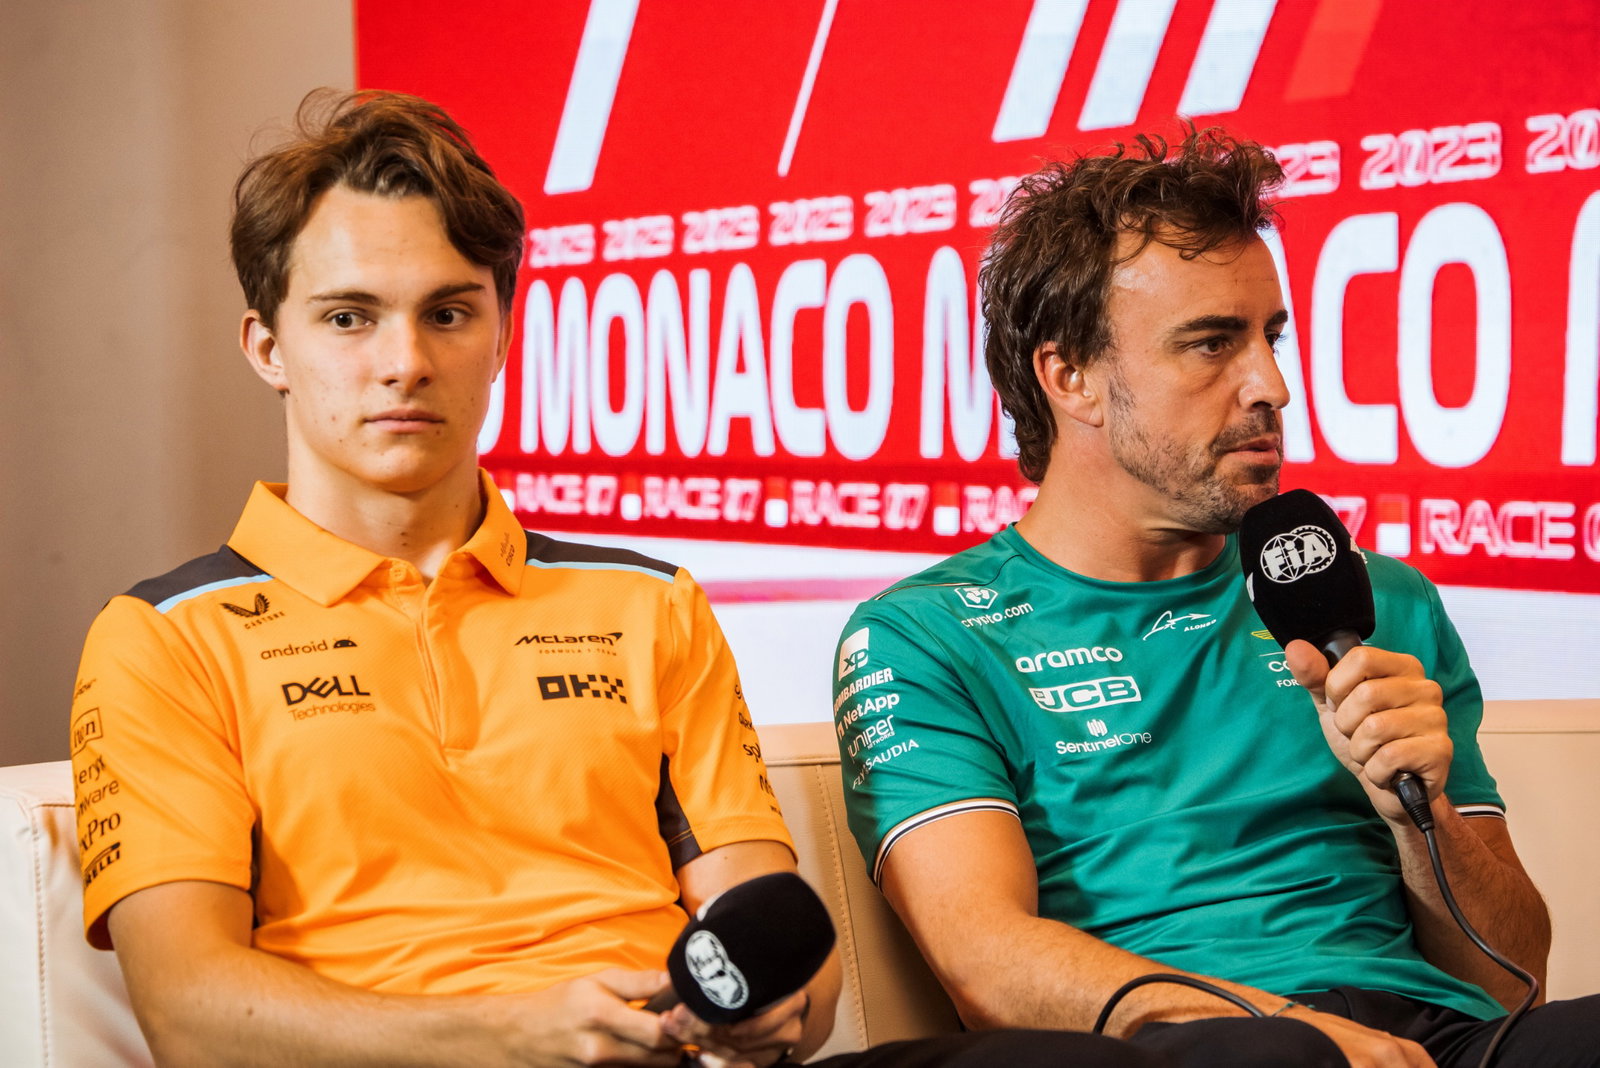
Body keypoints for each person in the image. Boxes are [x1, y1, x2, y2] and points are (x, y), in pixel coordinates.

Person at [69, 88, 1185, 1068]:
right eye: (349, 318)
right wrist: (511, 1034)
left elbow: (786, 956)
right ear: (268, 347)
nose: (404, 361)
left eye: (448, 313)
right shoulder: (163, 637)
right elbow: (191, 1015)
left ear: (501, 333)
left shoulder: (645, 603)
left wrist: (771, 1015)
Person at [831, 126, 1600, 1068]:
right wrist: (1291, 1029)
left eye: (1270, 337)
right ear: (1070, 376)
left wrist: (1421, 818)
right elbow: (985, 962)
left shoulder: (1373, 598)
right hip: (1188, 1048)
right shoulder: (925, 636)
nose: (1271, 386)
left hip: (1440, 1041)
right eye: (1210, 344)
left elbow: (1512, 981)